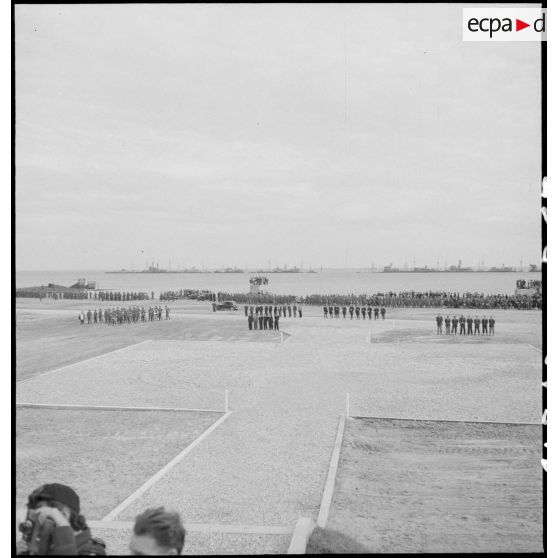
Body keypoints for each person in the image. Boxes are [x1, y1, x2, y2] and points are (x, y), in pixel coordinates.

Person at [17, 483, 106, 555]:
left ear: (63, 515)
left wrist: (62, 525)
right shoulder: (47, 546)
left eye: (40, 516)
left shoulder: (92, 551)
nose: (36, 524)